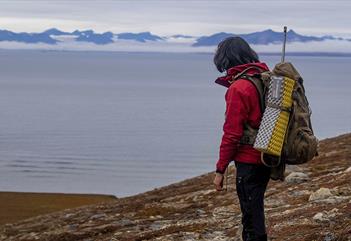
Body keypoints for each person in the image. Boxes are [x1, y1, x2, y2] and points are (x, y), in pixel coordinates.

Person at [212, 36, 271, 241]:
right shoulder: (265, 77)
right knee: (255, 209)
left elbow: (232, 134)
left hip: (249, 160)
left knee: (251, 216)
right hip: (267, 155)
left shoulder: (239, 88)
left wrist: (220, 169)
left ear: (226, 59)